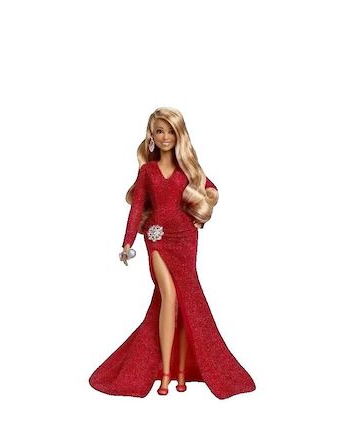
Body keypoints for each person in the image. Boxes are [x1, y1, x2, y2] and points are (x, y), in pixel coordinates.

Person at [89, 107, 256, 399]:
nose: (165, 137)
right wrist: (127, 242)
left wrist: (201, 212)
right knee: (169, 295)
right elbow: (137, 207)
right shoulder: (147, 172)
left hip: (185, 239)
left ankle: (179, 373)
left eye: (170, 131)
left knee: (182, 300)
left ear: (179, 135)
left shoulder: (187, 169)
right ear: (151, 136)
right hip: (156, 239)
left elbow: (211, 189)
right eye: (159, 131)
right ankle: (165, 373)